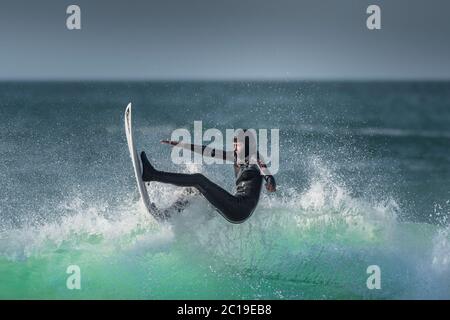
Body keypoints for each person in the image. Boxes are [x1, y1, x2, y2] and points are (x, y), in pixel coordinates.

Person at [140, 131, 276, 224]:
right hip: (234, 207)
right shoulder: (236, 158)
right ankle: (167, 215)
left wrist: (270, 181)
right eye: (233, 143)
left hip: (240, 208)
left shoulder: (254, 157)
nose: (234, 147)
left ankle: (152, 175)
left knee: (198, 179)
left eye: (238, 144)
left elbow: (265, 171)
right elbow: (208, 152)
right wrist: (181, 145)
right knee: (194, 190)